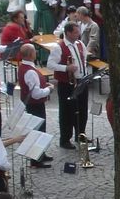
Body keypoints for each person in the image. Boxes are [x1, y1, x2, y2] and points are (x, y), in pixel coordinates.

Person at [48, 22, 91, 150]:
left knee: (82, 109)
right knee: (67, 112)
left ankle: (80, 134)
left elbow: (84, 59)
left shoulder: (80, 44)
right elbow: (50, 64)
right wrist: (66, 68)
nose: (79, 34)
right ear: (68, 33)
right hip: (67, 84)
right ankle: (65, 139)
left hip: (81, 81)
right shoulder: (59, 47)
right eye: (76, 32)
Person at [16, 44, 54, 168]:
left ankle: (40, 154)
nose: (36, 53)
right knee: (37, 131)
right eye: (34, 52)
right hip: (35, 104)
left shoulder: (24, 67)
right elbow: (36, 94)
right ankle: (36, 159)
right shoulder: (30, 72)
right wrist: (49, 89)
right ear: (31, 54)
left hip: (32, 104)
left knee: (39, 130)